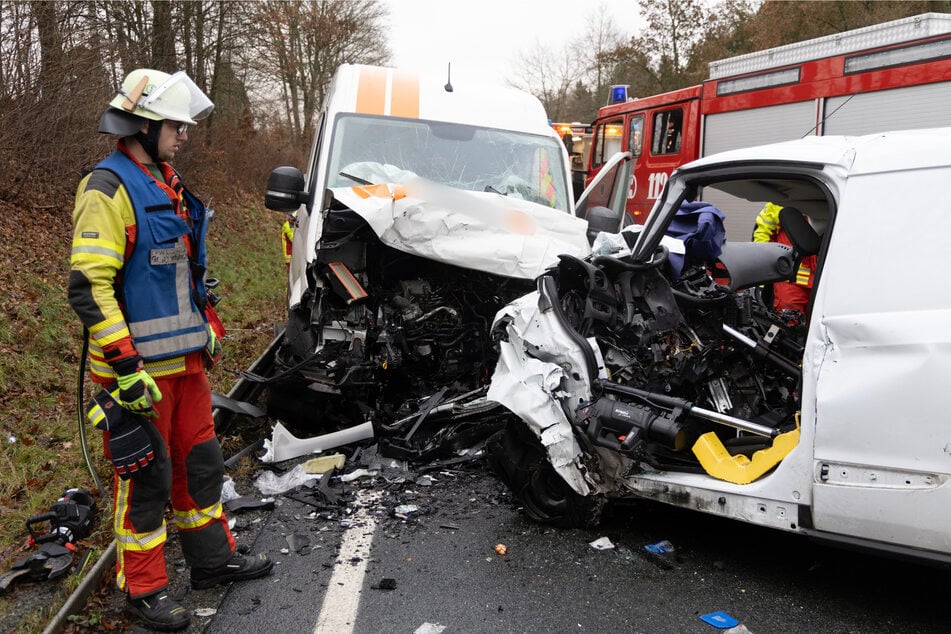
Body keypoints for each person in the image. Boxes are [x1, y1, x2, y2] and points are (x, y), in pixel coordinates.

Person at [68, 68, 272, 631]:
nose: (184, 134)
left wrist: (206, 322)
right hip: (138, 377)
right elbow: (91, 285)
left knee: (200, 465)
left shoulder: (166, 183)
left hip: (185, 367)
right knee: (145, 478)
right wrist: (126, 366)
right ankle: (145, 586)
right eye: (176, 126)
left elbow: (178, 272)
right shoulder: (107, 188)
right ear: (144, 124)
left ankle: (211, 561)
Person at [752, 201, 817, 315]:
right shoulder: (779, 203)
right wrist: (761, 276)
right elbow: (762, 238)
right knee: (788, 320)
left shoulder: (834, 199)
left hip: (821, 279)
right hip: (791, 278)